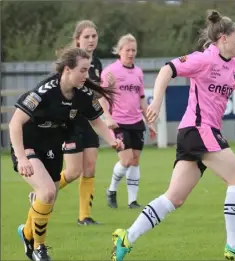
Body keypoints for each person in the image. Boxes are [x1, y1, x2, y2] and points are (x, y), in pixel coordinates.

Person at [110, 10, 235, 261]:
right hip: (198, 129)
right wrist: (156, 102)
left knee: (174, 198)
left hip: (198, 133)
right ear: (223, 38)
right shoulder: (204, 59)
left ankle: (126, 237)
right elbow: (167, 70)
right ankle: (234, 245)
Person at [11, 47, 124, 261]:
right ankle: (38, 248)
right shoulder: (43, 93)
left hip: (52, 148)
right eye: (82, 70)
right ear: (67, 70)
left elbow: (95, 121)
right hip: (28, 146)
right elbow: (15, 123)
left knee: (49, 198)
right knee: (46, 193)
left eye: (88, 70)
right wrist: (22, 158)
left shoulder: (81, 95)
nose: (87, 75)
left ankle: (26, 234)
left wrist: (112, 140)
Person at [28, 20, 112, 225]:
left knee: (90, 167)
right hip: (70, 124)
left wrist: (107, 117)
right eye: (87, 36)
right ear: (77, 39)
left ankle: (84, 216)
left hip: (90, 120)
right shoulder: (71, 63)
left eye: (94, 36)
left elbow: (96, 95)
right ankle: (41, 193)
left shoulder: (97, 63)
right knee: (74, 171)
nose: (91, 40)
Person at [99, 33, 156, 209]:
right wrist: (107, 117)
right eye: (127, 50)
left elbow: (140, 98)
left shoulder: (138, 72)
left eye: (134, 50)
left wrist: (150, 121)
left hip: (136, 121)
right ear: (120, 51)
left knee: (135, 161)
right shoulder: (110, 71)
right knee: (126, 160)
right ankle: (111, 190)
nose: (131, 53)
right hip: (118, 122)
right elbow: (101, 96)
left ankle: (132, 201)